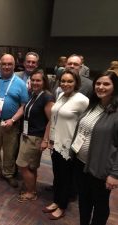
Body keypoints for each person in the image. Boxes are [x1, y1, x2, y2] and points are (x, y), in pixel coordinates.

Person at [71, 70, 118, 225]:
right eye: (98, 83)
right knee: (84, 200)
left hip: (99, 168)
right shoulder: (92, 105)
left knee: (100, 205)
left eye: (106, 84)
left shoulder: (116, 112)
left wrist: (115, 174)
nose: (101, 87)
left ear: (115, 86)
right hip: (80, 163)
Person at [43, 69, 89, 220]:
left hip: (69, 146)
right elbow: (55, 119)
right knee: (57, 176)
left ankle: (62, 206)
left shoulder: (82, 100)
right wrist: (50, 138)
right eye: (63, 81)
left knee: (66, 178)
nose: (65, 84)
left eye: (70, 81)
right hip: (56, 143)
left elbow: (87, 124)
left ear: (76, 82)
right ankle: (56, 201)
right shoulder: (61, 95)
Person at [0, 54, 28, 187]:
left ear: (14, 66)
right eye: (4, 64)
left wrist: (13, 119)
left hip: (11, 122)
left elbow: (24, 106)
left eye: (9, 64)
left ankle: (8, 173)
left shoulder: (20, 83)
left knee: (10, 150)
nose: (6, 66)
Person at [16, 69, 54, 202]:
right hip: (28, 134)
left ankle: (31, 192)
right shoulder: (33, 94)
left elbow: (51, 120)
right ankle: (31, 188)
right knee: (31, 166)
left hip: (35, 137)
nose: (35, 82)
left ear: (44, 82)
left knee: (22, 165)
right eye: (33, 80)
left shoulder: (47, 97)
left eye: (38, 80)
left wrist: (45, 140)